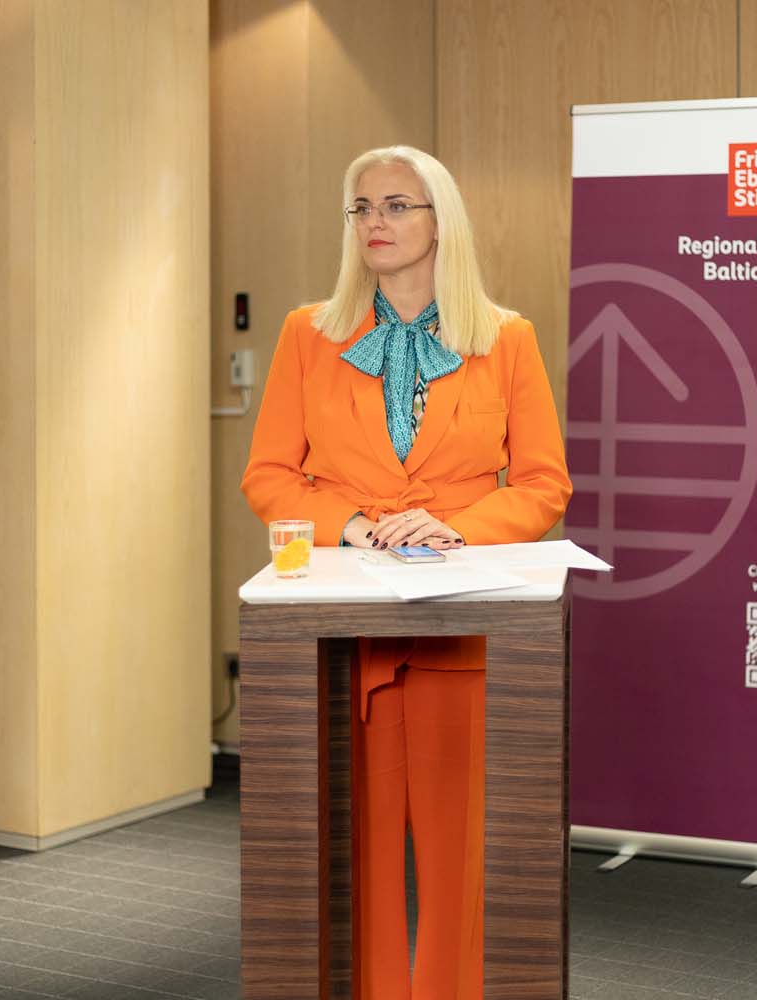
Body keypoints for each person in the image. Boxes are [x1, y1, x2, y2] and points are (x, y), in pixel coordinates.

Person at [241, 145, 571, 1000]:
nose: (375, 222)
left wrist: (455, 527)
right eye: (362, 208)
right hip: (343, 628)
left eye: (396, 205)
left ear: (440, 221)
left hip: (462, 621)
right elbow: (268, 474)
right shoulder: (309, 333)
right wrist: (352, 527)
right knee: (355, 847)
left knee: (463, 851)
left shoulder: (506, 338)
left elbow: (544, 485)